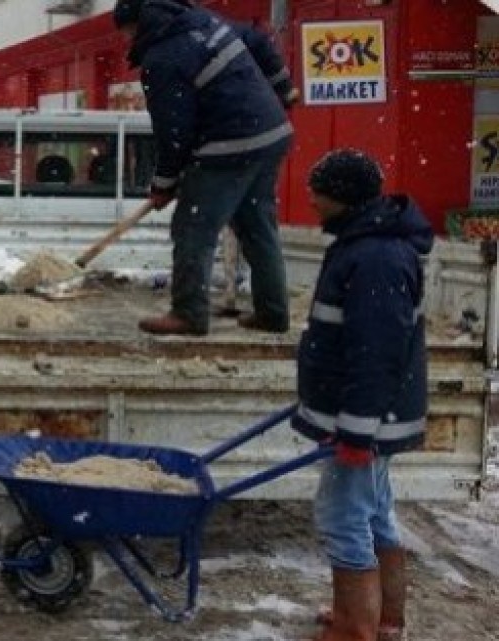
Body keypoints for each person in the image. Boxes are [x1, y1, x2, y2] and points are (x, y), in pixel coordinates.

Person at [292, 150, 427, 641]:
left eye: (318, 189)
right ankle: (382, 618)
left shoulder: (375, 256)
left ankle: (355, 626)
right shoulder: (366, 244)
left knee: (343, 515)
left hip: (368, 419)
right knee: (372, 512)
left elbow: (376, 353)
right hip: (368, 414)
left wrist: (355, 429)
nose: (310, 197)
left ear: (343, 197)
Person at [113, 0, 298, 336]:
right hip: (270, 133)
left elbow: (173, 131)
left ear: (136, 24)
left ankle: (188, 314)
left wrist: (164, 183)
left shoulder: (162, 58)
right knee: (258, 227)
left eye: (125, 31)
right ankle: (273, 313)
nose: (126, 40)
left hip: (229, 144)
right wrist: (283, 88)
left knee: (193, 228)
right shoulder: (203, 21)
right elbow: (257, 40)